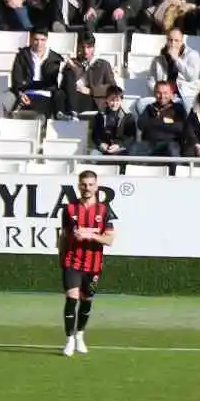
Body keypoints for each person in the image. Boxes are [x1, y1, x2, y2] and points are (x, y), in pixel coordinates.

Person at [59, 171, 116, 357]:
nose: (87, 188)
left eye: (90, 184)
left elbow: (109, 240)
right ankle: (69, 340)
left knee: (87, 301)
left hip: (94, 265)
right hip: (72, 261)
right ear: (78, 185)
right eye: (83, 184)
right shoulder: (68, 210)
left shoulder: (104, 210)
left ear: (96, 186)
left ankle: (80, 335)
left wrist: (90, 235)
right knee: (71, 298)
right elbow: (64, 236)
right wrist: (61, 258)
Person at [0, 29, 64, 121]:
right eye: (36, 39)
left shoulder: (55, 58)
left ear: (46, 40)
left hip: (45, 95)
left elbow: (52, 84)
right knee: (0, 100)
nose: (39, 43)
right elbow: (16, 79)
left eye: (42, 40)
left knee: (39, 117)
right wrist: (20, 94)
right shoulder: (22, 55)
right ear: (30, 39)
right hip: (22, 92)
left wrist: (33, 85)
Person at [134, 79, 188, 158]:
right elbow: (141, 124)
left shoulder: (177, 108)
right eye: (159, 93)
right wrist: (167, 124)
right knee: (134, 150)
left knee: (173, 151)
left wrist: (154, 123)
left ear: (170, 94)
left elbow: (181, 127)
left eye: (165, 93)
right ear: (155, 94)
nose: (162, 96)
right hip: (149, 143)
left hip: (171, 143)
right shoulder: (150, 108)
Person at [88, 84, 136, 155]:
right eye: (112, 100)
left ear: (121, 101)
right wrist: (101, 144)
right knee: (93, 154)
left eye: (117, 101)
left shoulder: (128, 116)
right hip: (103, 148)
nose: (114, 104)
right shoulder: (100, 115)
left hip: (121, 148)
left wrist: (119, 145)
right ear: (106, 99)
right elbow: (95, 135)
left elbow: (131, 137)